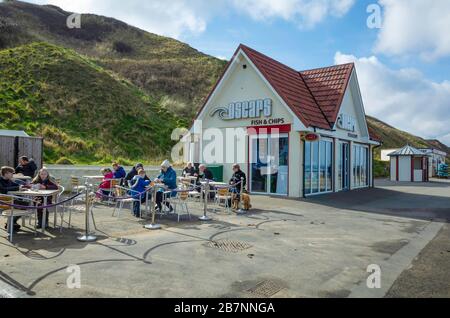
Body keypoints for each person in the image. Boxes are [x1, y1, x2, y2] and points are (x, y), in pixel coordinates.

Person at [0, 166, 22, 232]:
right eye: (11, 173)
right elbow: (3, 190)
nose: (13, 174)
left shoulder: (8, 180)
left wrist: (21, 187)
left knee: (26, 205)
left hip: (9, 201)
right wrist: (18, 188)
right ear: (6, 173)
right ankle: (11, 223)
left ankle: (11, 223)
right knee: (25, 205)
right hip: (2, 203)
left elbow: (17, 185)